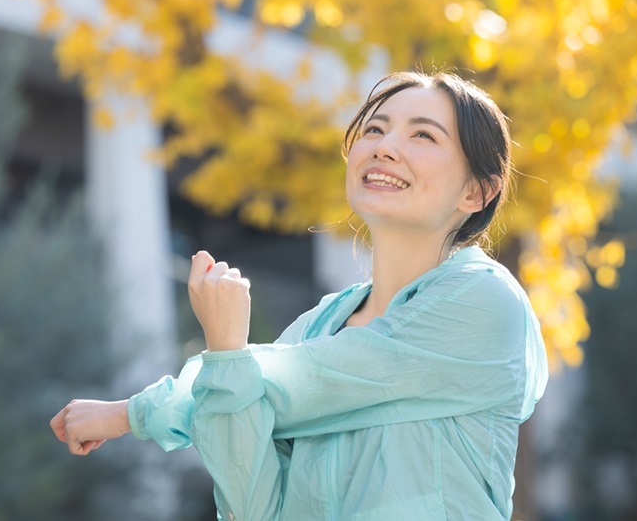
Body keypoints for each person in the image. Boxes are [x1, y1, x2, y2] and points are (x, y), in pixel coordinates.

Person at [50, 71, 549, 520]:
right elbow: (255, 510)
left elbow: (299, 383)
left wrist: (132, 413)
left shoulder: (483, 302)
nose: (383, 146)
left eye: (422, 134)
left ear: (477, 193)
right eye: (374, 130)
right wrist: (225, 350)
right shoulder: (314, 329)